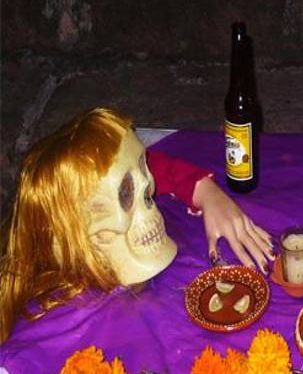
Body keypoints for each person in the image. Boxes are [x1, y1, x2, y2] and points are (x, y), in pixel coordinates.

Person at [0, 107, 273, 343]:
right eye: (125, 194)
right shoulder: (46, 328)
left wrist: (206, 191)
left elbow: (155, 167)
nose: (148, 192)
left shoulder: (142, 178)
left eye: (144, 175)